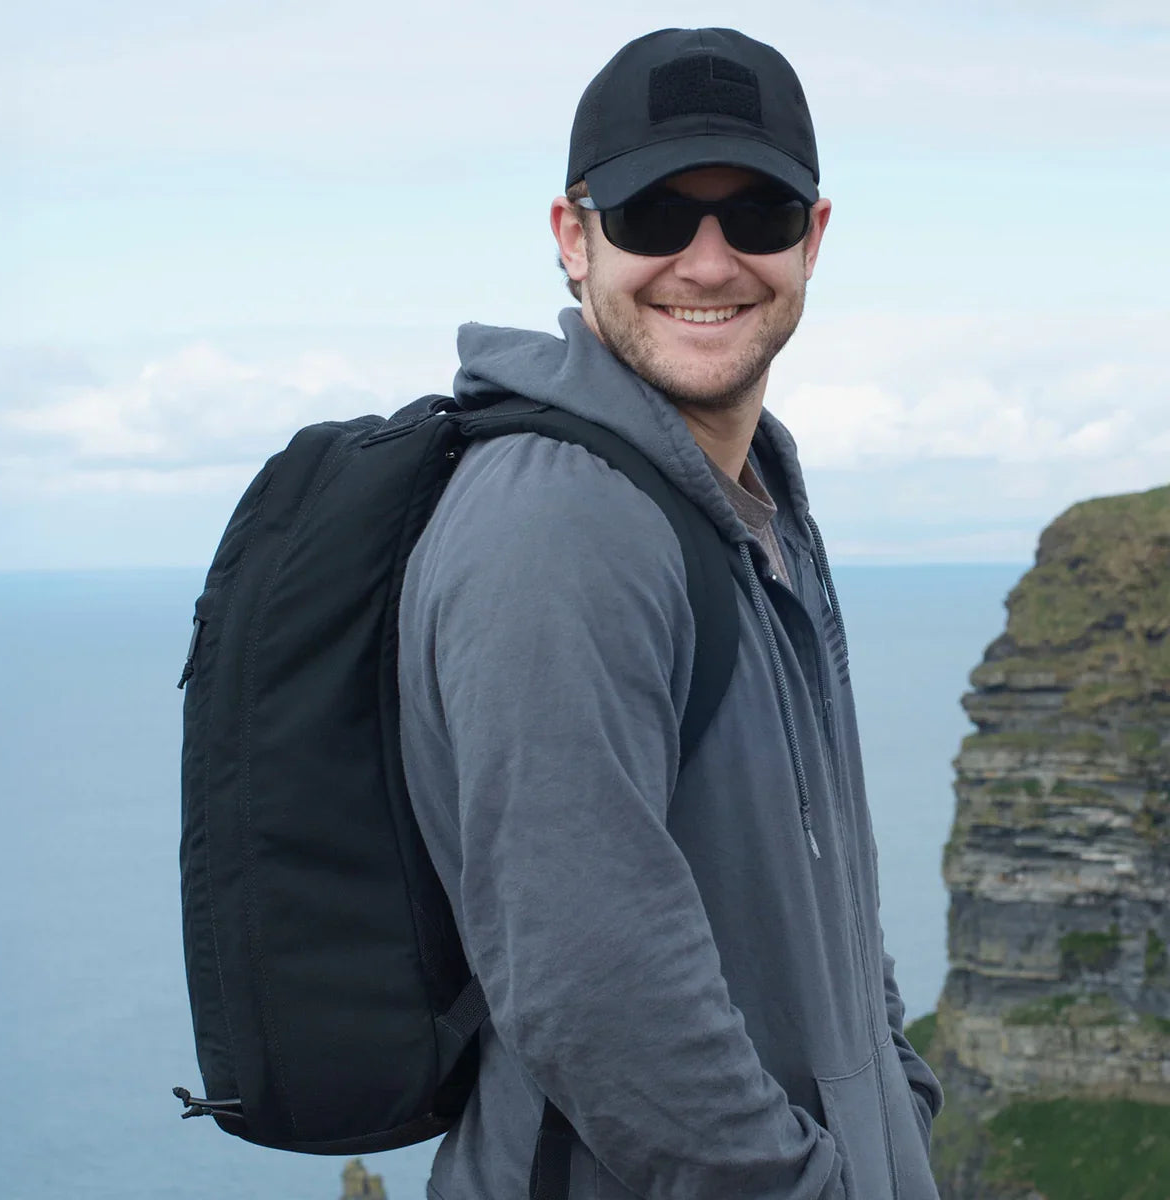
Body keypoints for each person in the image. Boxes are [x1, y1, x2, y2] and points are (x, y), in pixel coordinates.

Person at [398, 26, 942, 1200]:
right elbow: (593, 985)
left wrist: (899, 1100)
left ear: (815, 237)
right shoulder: (560, 529)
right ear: (572, 237)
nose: (707, 262)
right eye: (652, 216)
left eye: (756, 215)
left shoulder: (754, 505)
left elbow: (823, 872)